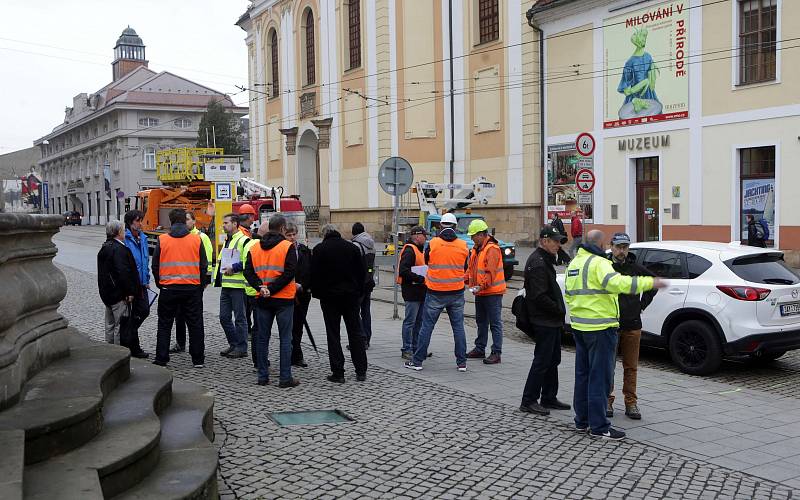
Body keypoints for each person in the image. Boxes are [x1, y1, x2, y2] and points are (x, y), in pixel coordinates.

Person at [565, 229, 662, 440]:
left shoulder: (575, 264)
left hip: (580, 328)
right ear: (602, 245)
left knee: (583, 376)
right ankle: (599, 427)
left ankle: (581, 421)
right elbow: (619, 284)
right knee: (600, 378)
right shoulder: (600, 263)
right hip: (601, 328)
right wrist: (649, 282)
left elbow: (569, 295)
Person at [405, 212, 469, 372]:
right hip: (456, 292)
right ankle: (462, 363)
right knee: (458, 328)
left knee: (426, 327)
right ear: (455, 226)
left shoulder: (433, 243)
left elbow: (427, 261)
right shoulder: (463, 245)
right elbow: (465, 267)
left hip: (435, 292)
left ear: (440, 226)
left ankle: (417, 361)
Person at [243, 214, 299, 388]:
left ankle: (262, 376)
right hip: (283, 299)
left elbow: (248, 272)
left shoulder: (255, 248)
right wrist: (272, 289)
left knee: (262, 338)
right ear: (282, 229)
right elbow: (289, 272)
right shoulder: (287, 246)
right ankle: (285, 378)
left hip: (262, 299)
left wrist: (261, 287)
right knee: (285, 338)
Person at [519, 226, 570, 416]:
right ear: (544, 241)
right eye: (555, 241)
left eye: (559, 241)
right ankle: (529, 400)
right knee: (542, 361)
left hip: (551, 321)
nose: (558, 245)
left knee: (553, 359)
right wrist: (557, 310)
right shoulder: (539, 262)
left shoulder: (545, 259)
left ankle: (549, 396)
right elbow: (539, 296)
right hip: (544, 321)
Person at [606, 232, 656, 420]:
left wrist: (641, 305)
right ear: (611, 247)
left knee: (631, 366)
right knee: (608, 365)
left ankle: (631, 402)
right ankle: (607, 400)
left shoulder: (636, 268)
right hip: (610, 323)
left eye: (625, 247)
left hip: (632, 324)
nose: (621, 251)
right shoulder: (605, 267)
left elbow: (653, 284)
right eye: (618, 247)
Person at [310, 223, 368, 383]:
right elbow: (361, 273)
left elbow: (314, 275)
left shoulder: (320, 250)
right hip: (351, 297)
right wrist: (358, 293)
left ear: (324, 234)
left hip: (329, 299)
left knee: (333, 334)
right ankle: (361, 370)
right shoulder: (352, 248)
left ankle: (338, 372)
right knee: (355, 332)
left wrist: (317, 294)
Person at [152, 209, 209, 368]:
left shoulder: (162, 240)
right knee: (195, 324)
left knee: (164, 324)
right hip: (191, 289)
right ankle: (198, 359)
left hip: (168, 289)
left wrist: (160, 284)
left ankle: (161, 358)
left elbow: (155, 266)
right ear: (185, 221)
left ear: (170, 222)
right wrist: (200, 286)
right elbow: (203, 266)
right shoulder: (196, 240)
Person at [170, 211, 214, 353]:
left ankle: (196, 347)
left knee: (194, 317)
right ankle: (180, 343)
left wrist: (205, 281)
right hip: (180, 282)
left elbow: (207, 261)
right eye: (185, 219)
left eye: (188, 219)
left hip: (195, 284)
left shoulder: (202, 237)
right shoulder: (180, 236)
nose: (186, 222)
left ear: (194, 221)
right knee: (179, 315)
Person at [465, 219, 506, 364]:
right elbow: (471, 270)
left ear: (482, 234)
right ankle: (480, 348)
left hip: (492, 292)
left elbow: (490, 273)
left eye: (473, 235)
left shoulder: (492, 249)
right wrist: (463, 279)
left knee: (495, 323)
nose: (471, 238)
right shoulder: (476, 249)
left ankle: (496, 352)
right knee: (481, 322)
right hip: (480, 292)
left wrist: (480, 286)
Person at [213, 213, 250, 359]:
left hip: (238, 286)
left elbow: (248, 261)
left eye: (226, 222)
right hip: (226, 285)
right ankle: (234, 343)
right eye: (224, 223)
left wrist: (234, 268)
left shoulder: (243, 240)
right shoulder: (229, 240)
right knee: (224, 317)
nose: (223, 225)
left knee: (240, 318)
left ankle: (242, 347)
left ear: (235, 224)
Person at [98, 220, 140, 347]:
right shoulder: (119, 249)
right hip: (119, 294)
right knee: (120, 325)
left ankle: (109, 350)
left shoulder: (105, 247)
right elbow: (124, 273)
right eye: (123, 230)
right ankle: (118, 353)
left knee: (110, 325)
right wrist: (130, 292)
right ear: (118, 232)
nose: (124, 232)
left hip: (107, 293)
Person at [122, 210, 151, 358]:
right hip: (131, 284)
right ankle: (133, 346)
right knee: (131, 315)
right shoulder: (125, 238)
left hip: (142, 283)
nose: (140, 223)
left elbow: (145, 260)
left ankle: (127, 338)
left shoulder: (143, 238)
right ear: (130, 222)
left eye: (141, 220)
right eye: (138, 221)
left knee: (144, 311)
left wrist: (147, 279)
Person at [398, 226, 428, 360]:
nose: (426, 238)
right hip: (412, 292)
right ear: (416, 236)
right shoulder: (410, 250)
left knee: (419, 322)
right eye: (424, 235)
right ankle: (407, 348)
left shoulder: (419, 250)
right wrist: (420, 278)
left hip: (420, 291)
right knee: (410, 322)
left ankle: (417, 348)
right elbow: (403, 271)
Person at [286, 222, 313, 367]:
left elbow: (310, 270)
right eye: (288, 235)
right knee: (289, 326)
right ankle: (294, 354)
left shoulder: (304, 250)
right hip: (287, 293)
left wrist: (303, 286)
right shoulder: (282, 250)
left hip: (302, 293)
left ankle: (296, 355)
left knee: (299, 325)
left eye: (293, 234)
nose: (291, 237)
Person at [351, 222, 376, 349]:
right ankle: (367, 338)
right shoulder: (371, 244)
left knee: (355, 312)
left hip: (359, 283)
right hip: (369, 281)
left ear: (353, 233)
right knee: (366, 311)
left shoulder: (355, 245)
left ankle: (360, 340)